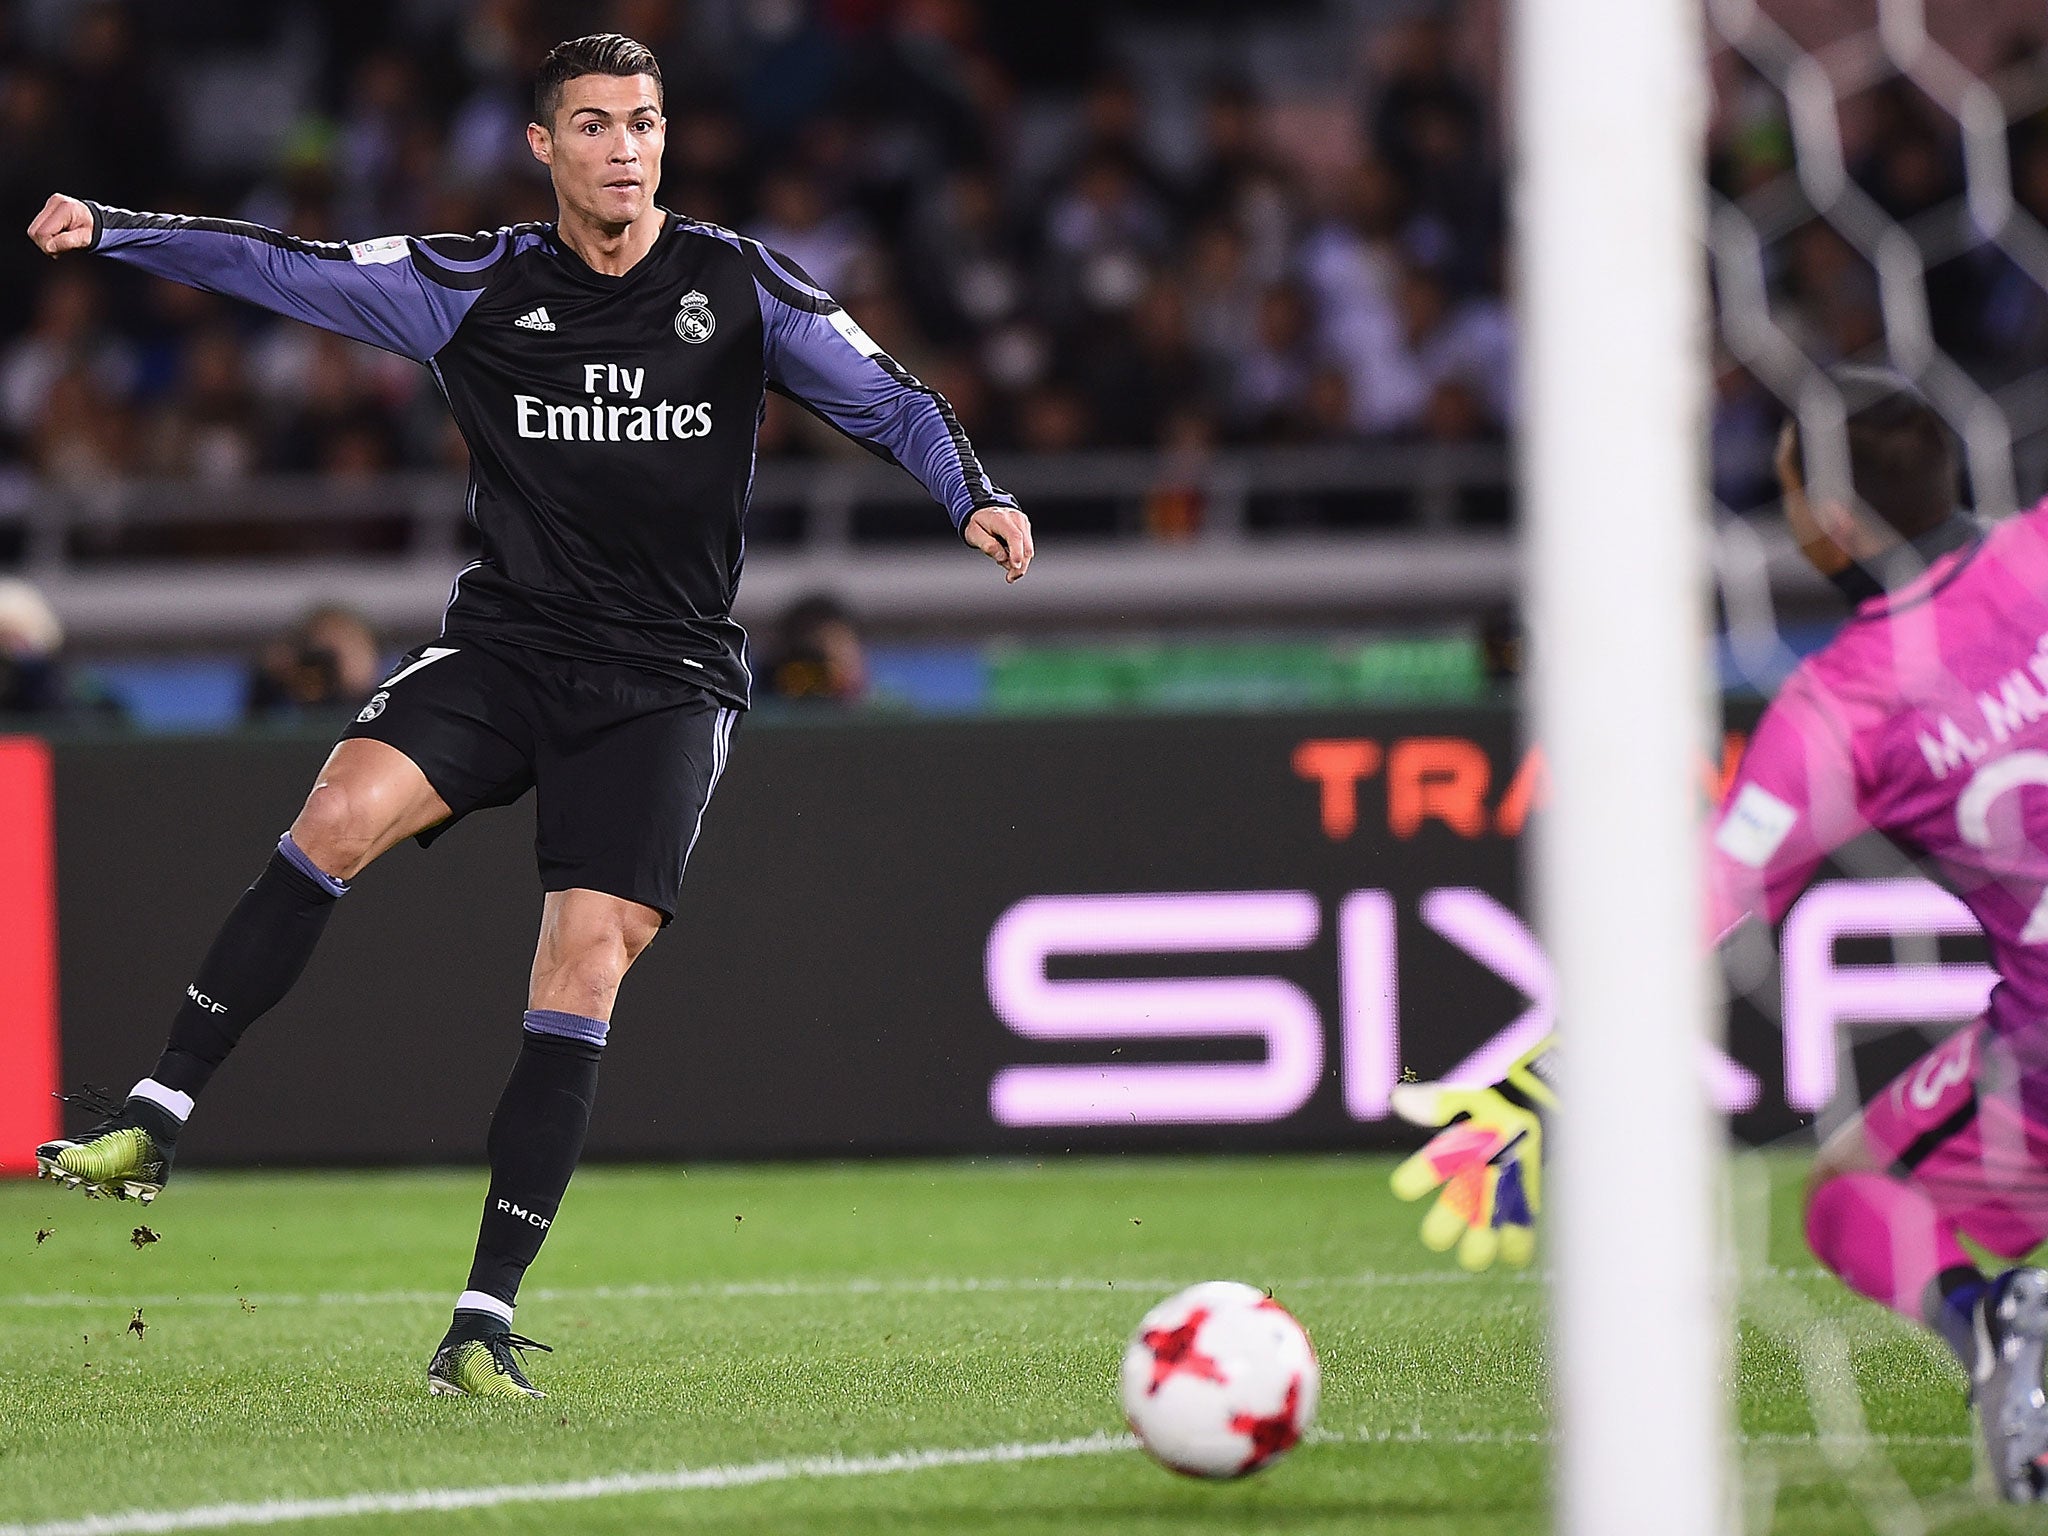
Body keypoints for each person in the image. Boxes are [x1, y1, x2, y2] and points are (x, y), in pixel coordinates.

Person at [26, 33, 1032, 1400]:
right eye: (597, 124)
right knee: (336, 812)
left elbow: (891, 395)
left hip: (666, 679)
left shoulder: (735, 282)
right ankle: (156, 1114)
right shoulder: (477, 286)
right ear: (543, 149)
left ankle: (481, 1323)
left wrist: (968, 490)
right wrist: (121, 231)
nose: (627, 148)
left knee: (580, 971)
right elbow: (292, 270)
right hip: (506, 645)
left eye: (646, 122)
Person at [1391, 371, 2048, 1501]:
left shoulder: (1841, 706)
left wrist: (1523, 1093)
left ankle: (1993, 1323)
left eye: (1787, 486)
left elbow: (1686, 922)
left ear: (1828, 521)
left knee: (1854, 1194)